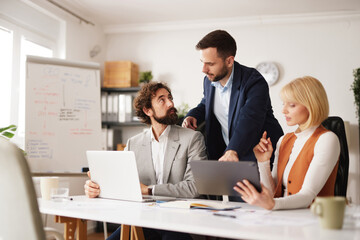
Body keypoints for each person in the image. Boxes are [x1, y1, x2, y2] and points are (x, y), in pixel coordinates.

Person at [85, 82, 207, 240]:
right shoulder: (133, 144)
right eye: (162, 100)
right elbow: (121, 184)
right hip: (145, 220)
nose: (170, 103)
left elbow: (195, 187)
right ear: (147, 110)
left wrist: (149, 190)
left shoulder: (192, 138)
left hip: (181, 220)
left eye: (170, 98)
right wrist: (96, 188)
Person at [234, 76, 340, 210]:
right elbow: (272, 194)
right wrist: (263, 162)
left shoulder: (327, 139)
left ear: (311, 105)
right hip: (284, 216)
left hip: (314, 219)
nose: (284, 110)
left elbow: (308, 196)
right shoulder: (284, 140)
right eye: (283, 104)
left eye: (292, 105)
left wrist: (273, 204)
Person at [182, 29, 283, 162]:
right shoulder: (209, 79)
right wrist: (193, 115)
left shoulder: (254, 81)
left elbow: (250, 118)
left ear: (229, 61)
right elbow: (206, 103)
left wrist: (233, 150)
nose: (204, 70)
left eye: (210, 64)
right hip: (228, 155)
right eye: (202, 62)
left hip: (263, 156)